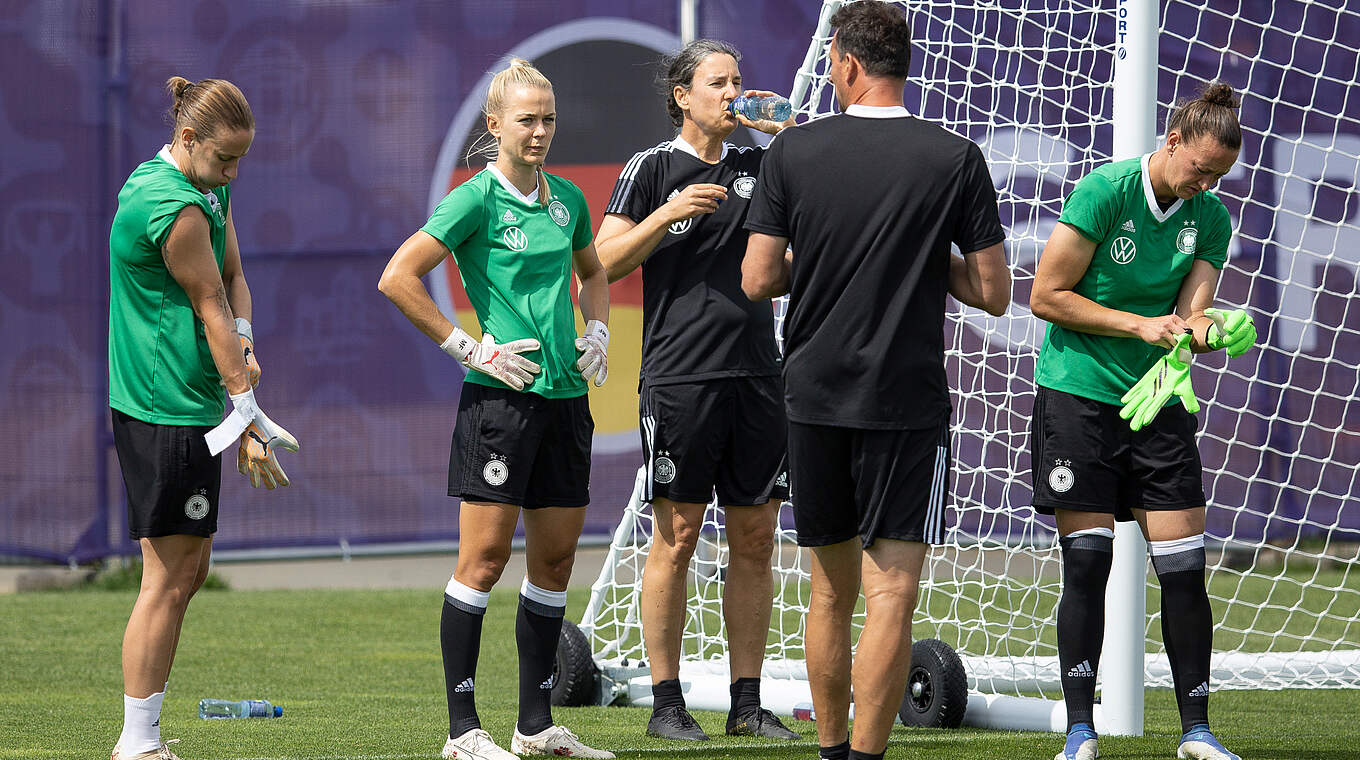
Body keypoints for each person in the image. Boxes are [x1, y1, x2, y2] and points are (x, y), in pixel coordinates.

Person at [741, 3, 1011, 759]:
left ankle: (829, 753)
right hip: (905, 401)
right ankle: (865, 758)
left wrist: (826, 259)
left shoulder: (793, 154)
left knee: (829, 592)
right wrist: (921, 255)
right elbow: (993, 292)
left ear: (849, 64)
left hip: (813, 395)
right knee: (892, 595)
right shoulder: (954, 156)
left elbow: (760, 277)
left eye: (831, 61)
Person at [378, 58, 613, 760]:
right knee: (482, 561)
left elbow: (594, 272)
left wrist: (595, 328)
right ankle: (462, 733)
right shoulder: (474, 199)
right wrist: (465, 346)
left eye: (548, 119)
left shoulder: (567, 198)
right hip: (501, 404)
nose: (539, 131)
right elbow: (398, 275)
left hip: (567, 401)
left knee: (557, 562)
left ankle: (535, 728)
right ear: (494, 125)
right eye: (526, 119)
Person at [1028, 82, 1255, 760]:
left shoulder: (1208, 217)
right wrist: (1139, 325)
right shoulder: (1106, 191)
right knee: (1089, 565)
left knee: (1184, 568)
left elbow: (1192, 321)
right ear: (1172, 141)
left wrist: (1221, 331)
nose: (1204, 184)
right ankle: (1079, 731)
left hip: (1158, 399)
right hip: (1079, 394)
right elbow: (1045, 295)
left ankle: (1197, 733)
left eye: (1217, 176)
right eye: (1199, 169)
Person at [594, 39, 800, 743]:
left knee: (756, 537)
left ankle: (747, 705)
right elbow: (602, 260)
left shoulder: (763, 164)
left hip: (758, 377)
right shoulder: (652, 168)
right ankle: (665, 704)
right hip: (681, 378)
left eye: (739, 81)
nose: (733, 93)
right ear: (683, 95)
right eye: (718, 82)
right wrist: (668, 213)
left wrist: (793, 138)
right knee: (676, 537)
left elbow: (810, 247)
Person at [109, 76, 299, 760]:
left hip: (188, 403)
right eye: (224, 159)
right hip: (165, 410)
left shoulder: (204, 189)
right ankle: (137, 742)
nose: (234, 174)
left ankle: (147, 734)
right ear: (187, 139)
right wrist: (247, 413)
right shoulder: (176, 208)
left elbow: (234, 279)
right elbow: (210, 306)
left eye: (241, 161)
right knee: (166, 579)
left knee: (187, 574)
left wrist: (245, 345)